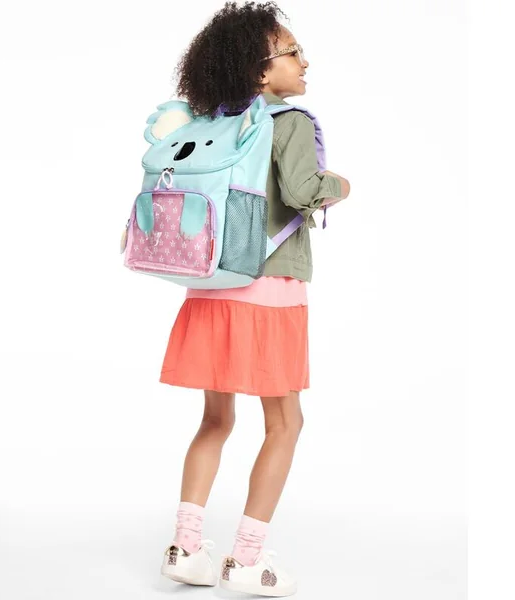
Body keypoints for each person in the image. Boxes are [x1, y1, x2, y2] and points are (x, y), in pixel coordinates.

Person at [158, 2, 350, 596]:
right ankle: (245, 560)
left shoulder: (212, 121)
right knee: (285, 422)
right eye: (293, 52)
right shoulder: (288, 123)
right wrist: (340, 185)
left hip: (210, 286)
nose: (304, 62)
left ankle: (186, 548)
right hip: (270, 293)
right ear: (260, 69)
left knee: (215, 420)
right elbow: (302, 190)